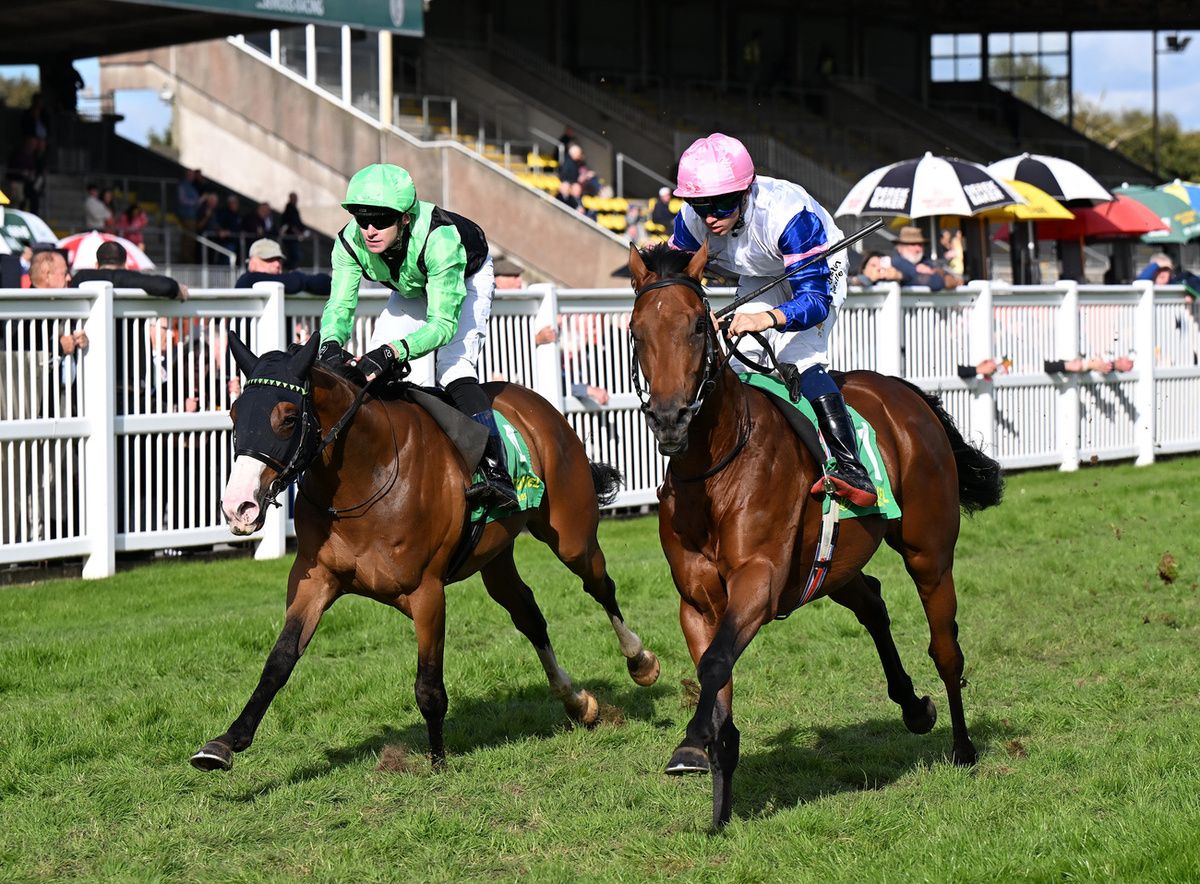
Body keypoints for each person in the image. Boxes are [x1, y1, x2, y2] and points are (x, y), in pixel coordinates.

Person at [668, 132, 876, 507]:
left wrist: (768, 317)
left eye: (722, 203)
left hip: (818, 269)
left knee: (798, 357)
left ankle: (850, 466)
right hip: (761, 272)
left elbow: (813, 302)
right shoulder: (690, 221)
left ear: (746, 191)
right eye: (701, 205)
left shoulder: (787, 215)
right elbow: (676, 279)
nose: (711, 216)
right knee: (732, 364)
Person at [317, 162, 517, 508]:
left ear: (405, 218)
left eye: (380, 220)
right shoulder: (349, 242)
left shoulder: (440, 240)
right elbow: (339, 306)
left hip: (465, 277)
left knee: (453, 369)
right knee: (370, 373)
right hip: (413, 286)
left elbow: (442, 325)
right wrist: (331, 344)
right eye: (361, 219)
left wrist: (395, 352)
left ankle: (496, 473)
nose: (369, 230)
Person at [72, 241, 189, 300]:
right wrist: (176, 287)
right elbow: (165, 286)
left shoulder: (81, 277)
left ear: (97, 265)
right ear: (125, 265)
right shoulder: (127, 277)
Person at [235, 238, 331, 294]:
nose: (277, 264)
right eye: (269, 259)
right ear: (252, 262)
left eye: (279, 260)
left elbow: (327, 284)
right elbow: (294, 282)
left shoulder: (286, 280)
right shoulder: (246, 280)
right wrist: (300, 278)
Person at [891, 226, 952, 290]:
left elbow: (954, 280)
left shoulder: (924, 261)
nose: (918, 249)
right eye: (912, 244)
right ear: (900, 247)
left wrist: (933, 271)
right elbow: (936, 283)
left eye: (920, 245)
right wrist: (937, 274)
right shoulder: (896, 262)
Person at [279, 191, 308, 268]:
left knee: (294, 256)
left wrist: (303, 230)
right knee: (295, 256)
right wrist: (298, 232)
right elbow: (291, 223)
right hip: (291, 237)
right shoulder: (290, 209)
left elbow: (298, 222)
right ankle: (287, 269)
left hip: (293, 237)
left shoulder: (293, 209)